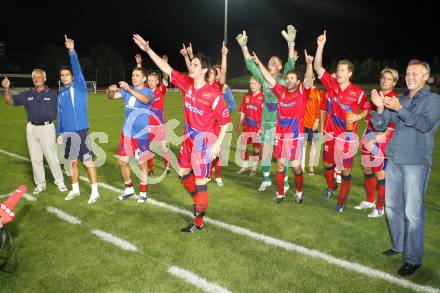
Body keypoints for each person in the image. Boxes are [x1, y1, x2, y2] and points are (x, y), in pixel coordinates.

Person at [133, 34, 231, 233]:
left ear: (205, 70)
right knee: (182, 173)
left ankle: (198, 223)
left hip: (204, 142)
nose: (191, 67)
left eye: (195, 65)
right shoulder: (186, 83)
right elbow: (166, 68)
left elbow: (225, 121)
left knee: (200, 181)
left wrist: (218, 144)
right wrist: (148, 50)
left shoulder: (213, 93)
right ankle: (198, 203)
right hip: (188, 139)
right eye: (191, 64)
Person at [370, 59, 440, 276]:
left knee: (412, 213)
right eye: (408, 72)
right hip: (395, 160)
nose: (410, 76)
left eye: (415, 73)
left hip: (416, 164)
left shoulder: (433, 100)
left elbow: (425, 124)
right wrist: (381, 108)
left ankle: (413, 259)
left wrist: (401, 109)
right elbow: (380, 125)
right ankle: (398, 245)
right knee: (391, 208)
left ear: (426, 78)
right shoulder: (399, 98)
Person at [313, 31, 370, 212]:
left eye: (342, 70)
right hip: (330, 134)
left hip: (346, 137)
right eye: (337, 70)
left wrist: (359, 116)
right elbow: (317, 67)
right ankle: (331, 187)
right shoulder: (331, 85)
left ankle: (341, 201)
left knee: (345, 171)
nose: (338, 73)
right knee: (328, 164)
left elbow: (368, 108)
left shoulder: (358, 92)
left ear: (350, 73)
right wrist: (320, 45)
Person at [236, 25, 297, 193]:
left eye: (273, 62)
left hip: (280, 124)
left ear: (279, 67)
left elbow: (291, 63)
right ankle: (266, 180)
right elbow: (250, 65)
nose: (270, 64)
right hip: (266, 123)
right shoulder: (264, 80)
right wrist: (243, 47)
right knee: (265, 152)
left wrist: (291, 45)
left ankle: (283, 182)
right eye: (268, 62)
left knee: (280, 156)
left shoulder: (284, 80)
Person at [253, 50, 314, 204]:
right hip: (280, 136)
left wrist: (309, 64)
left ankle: (299, 191)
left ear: (298, 81)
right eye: (288, 78)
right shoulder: (281, 93)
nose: (289, 80)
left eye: (293, 78)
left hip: (294, 137)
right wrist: (259, 63)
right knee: (280, 165)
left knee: (296, 167)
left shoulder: (302, 94)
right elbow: (267, 77)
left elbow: (308, 79)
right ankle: (281, 194)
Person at [2, 70, 67, 194]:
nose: (36, 79)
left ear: (44, 78)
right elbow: (8, 101)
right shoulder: (27, 94)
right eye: (34, 77)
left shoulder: (54, 94)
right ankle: (40, 184)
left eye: (39, 77)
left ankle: (60, 182)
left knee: (51, 156)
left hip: (47, 128)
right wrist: (6, 88)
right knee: (35, 158)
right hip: (31, 128)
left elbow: (65, 109)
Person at [57, 35, 100, 204]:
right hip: (67, 133)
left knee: (87, 161)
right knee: (72, 163)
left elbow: (78, 69)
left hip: (81, 131)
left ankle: (95, 191)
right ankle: (75, 190)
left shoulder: (80, 87)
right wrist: (59, 132)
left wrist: (71, 52)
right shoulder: (61, 94)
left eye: (67, 75)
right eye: (62, 75)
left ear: (72, 77)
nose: (64, 77)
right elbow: (59, 115)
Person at [355, 68, 399, 217]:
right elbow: (370, 118)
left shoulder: (393, 99)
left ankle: (380, 208)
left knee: (380, 173)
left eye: (389, 79)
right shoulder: (376, 96)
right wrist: (364, 136)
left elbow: (392, 125)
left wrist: (376, 138)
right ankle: (370, 200)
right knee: (367, 167)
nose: (385, 81)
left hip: (382, 138)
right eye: (383, 78)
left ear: (394, 82)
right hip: (369, 135)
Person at [107, 67, 154, 203]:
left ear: (144, 78)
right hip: (126, 133)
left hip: (141, 135)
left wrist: (130, 90)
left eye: (137, 75)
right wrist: (110, 89)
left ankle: (143, 193)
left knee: (141, 164)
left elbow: (146, 101)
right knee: (122, 162)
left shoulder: (147, 91)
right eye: (133, 75)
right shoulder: (126, 90)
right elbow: (112, 96)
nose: (134, 77)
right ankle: (129, 188)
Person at [135, 54, 172, 176]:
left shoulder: (161, 90)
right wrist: (139, 64)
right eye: (149, 80)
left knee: (164, 147)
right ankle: (150, 169)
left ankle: (167, 167)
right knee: (146, 148)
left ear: (157, 81)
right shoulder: (145, 91)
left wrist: (165, 64)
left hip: (160, 125)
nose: (150, 82)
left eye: (153, 80)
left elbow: (166, 78)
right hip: (147, 125)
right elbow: (139, 79)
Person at [237, 77, 264, 176]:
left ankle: (254, 168)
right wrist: (240, 123)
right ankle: (244, 166)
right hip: (246, 127)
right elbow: (243, 111)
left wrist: (262, 127)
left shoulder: (264, 98)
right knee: (242, 146)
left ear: (260, 85)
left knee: (256, 150)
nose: (252, 85)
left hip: (257, 129)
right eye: (251, 84)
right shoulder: (246, 96)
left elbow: (266, 114)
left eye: (254, 84)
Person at [301, 75, 323, 176]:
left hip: (312, 123)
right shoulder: (301, 89)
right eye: (305, 77)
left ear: (313, 79)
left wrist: (317, 120)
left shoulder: (318, 91)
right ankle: (301, 166)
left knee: (314, 144)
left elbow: (319, 107)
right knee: (303, 145)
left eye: (309, 77)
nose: (307, 79)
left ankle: (311, 167)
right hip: (301, 122)